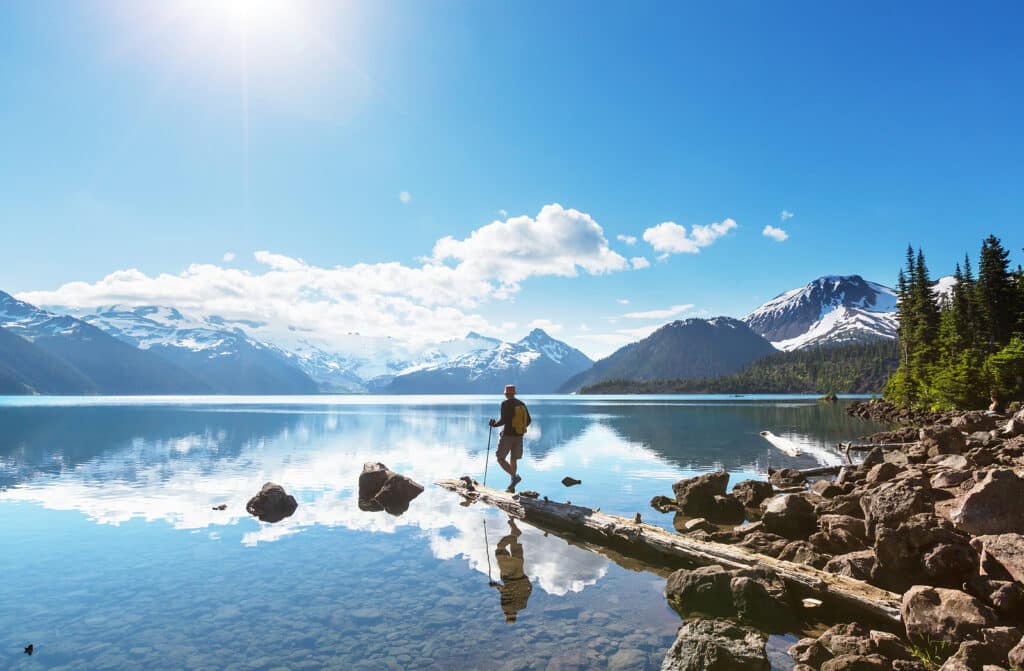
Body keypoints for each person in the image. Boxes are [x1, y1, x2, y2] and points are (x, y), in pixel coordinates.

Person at [488, 517, 533, 623]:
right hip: (509, 575)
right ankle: (514, 534)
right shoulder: (506, 608)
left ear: (515, 616)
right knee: (500, 549)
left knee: (515, 550)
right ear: (507, 616)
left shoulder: (522, 606)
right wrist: (495, 585)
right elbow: (505, 592)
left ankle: (514, 530)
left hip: (521, 574)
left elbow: (528, 589)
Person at [489, 384, 531, 492]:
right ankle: (512, 483)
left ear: (506, 393)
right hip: (519, 436)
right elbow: (529, 420)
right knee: (513, 459)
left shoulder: (505, 404)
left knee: (500, 458)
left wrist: (494, 425)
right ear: (514, 393)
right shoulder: (521, 404)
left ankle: (514, 476)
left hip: (508, 436)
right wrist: (520, 428)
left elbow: (504, 420)